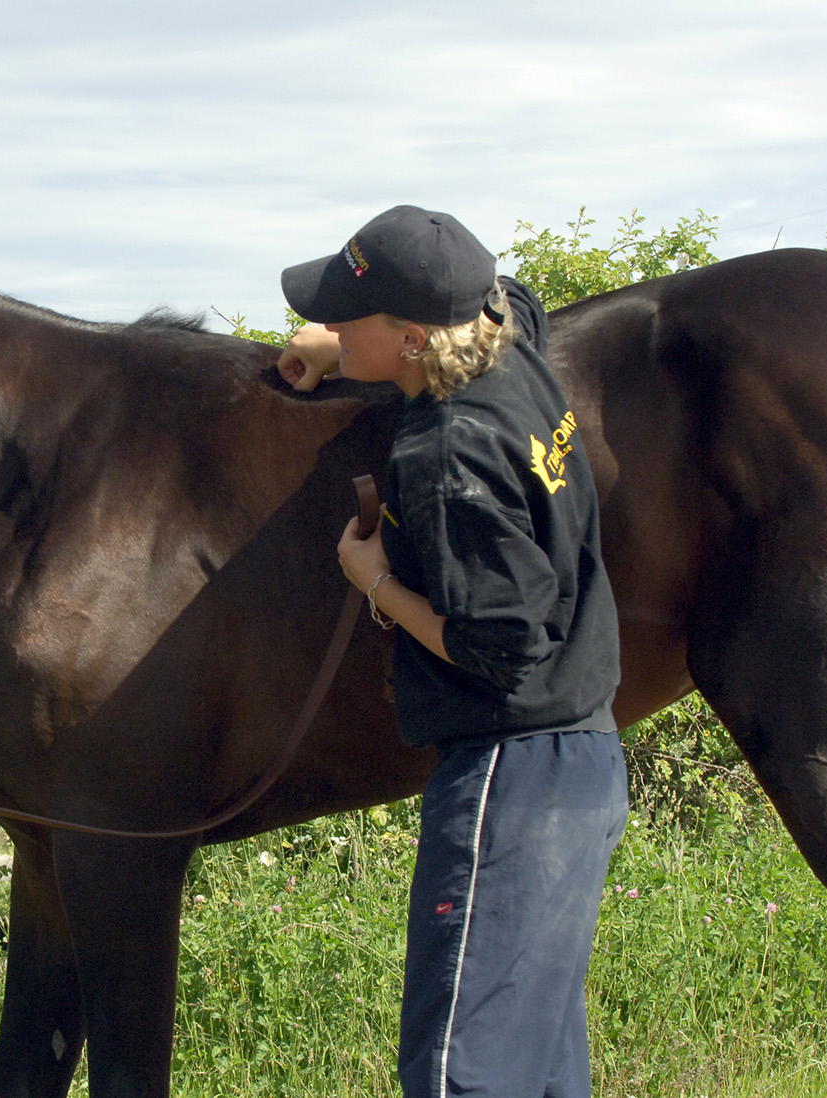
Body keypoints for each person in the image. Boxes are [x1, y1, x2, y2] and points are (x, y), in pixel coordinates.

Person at [276, 205, 627, 1098]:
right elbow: (516, 297)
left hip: (510, 779)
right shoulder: (512, 354)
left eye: (347, 315)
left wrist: (375, 584)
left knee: (458, 1076)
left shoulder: (446, 453)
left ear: (409, 336)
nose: (326, 323)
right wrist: (336, 347)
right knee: (539, 1073)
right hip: (584, 758)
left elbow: (500, 647)